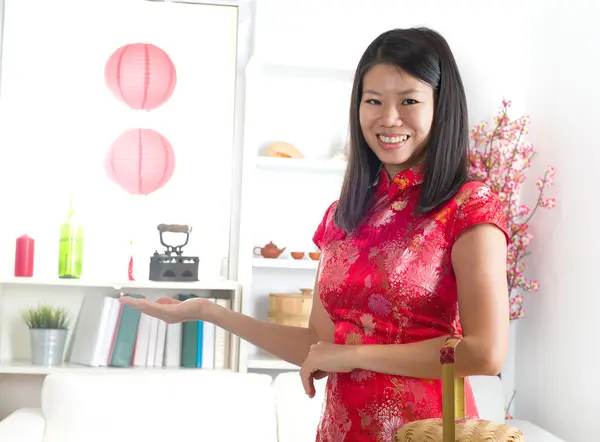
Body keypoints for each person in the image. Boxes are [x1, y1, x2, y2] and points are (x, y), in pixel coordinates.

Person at [120, 27, 509, 442]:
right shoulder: (344, 216)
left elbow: (485, 352)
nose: (388, 118)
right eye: (373, 100)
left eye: (409, 101)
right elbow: (318, 345)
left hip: (426, 432)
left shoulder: (469, 205)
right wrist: (208, 312)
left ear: (441, 106)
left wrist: (354, 355)